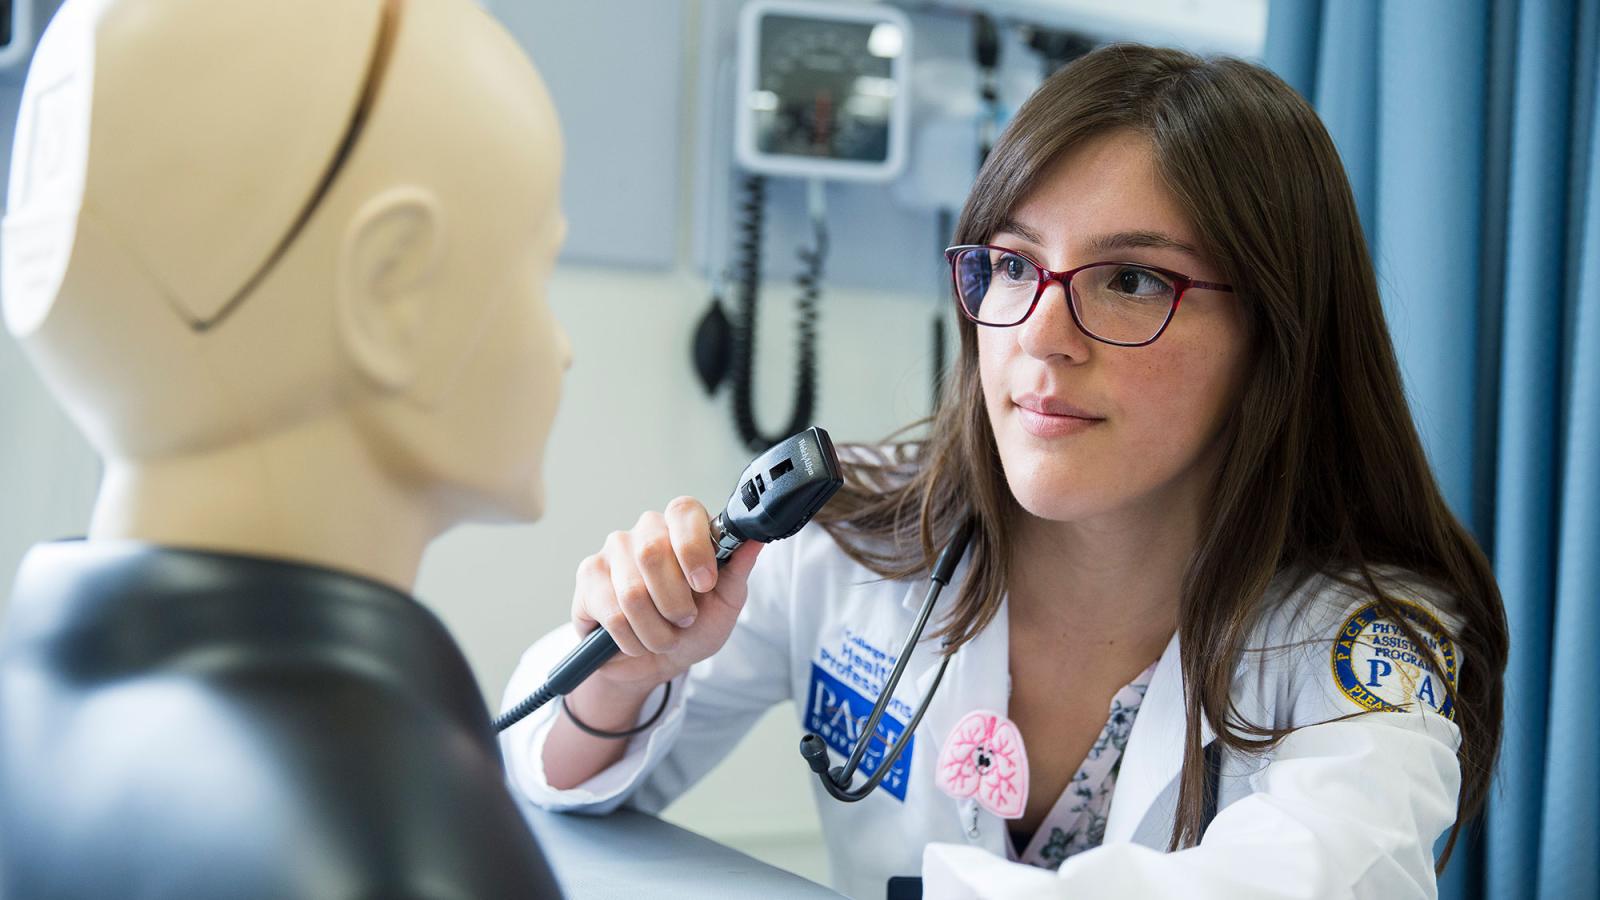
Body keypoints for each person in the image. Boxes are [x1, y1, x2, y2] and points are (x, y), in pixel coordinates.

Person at [500, 44, 1508, 899]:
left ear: (1275, 335)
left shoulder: (1358, 642)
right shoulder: (858, 535)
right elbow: (552, 781)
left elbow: (1327, 875)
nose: (1041, 336)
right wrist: (621, 678)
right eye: (1014, 264)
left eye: (1128, 281)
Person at [0, 0, 568, 896]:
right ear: (390, 294)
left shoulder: (38, 696)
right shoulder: (390, 845)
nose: (561, 346)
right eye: (540, 270)